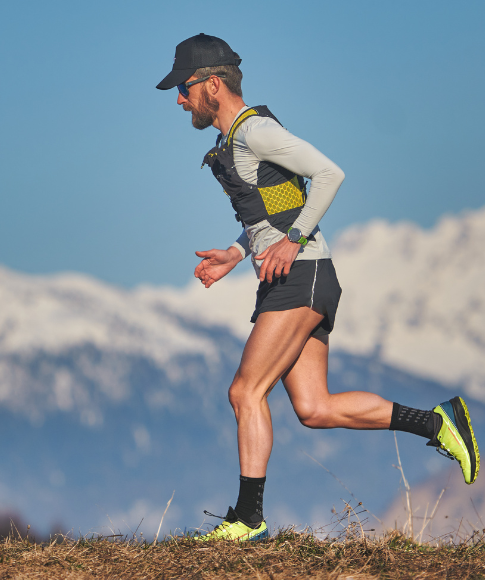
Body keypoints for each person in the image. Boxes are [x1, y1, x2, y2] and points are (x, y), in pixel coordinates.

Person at [156, 33, 480, 542]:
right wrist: (236, 254)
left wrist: (295, 239)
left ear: (212, 84)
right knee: (314, 408)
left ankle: (247, 518)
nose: (179, 99)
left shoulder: (255, 131)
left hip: (302, 277)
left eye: (184, 88)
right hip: (297, 277)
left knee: (246, 391)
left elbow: (330, 173)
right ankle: (439, 424)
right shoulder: (234, 141)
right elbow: (275, 210)